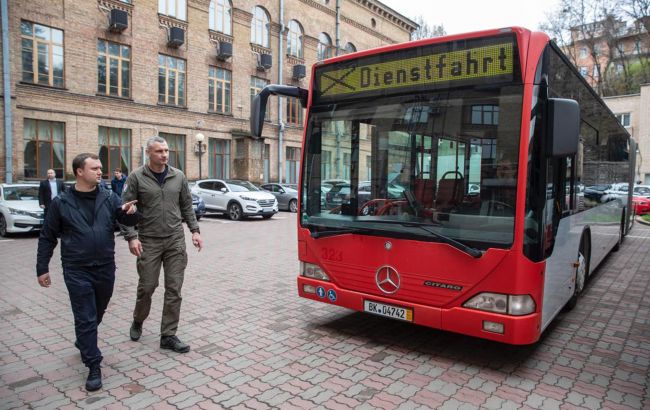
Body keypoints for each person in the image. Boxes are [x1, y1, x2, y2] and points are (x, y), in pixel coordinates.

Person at [36, 153, 139, 392]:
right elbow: (47, 237)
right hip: (76, 268)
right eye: (94, 168)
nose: (100, 171)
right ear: (79, 172)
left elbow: (125, 219)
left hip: (105, 266)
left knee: (98, 310)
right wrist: (42, 268)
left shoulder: (109, 196)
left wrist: (130, 214)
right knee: (86, 316)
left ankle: (84, 338)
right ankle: (93, 364)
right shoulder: (61, 202)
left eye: (100, 167)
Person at [121, 136, 203, 353]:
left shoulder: (179, 176)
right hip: (148, 240)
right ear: (149, 152)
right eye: (159, 151)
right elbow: (126, 209)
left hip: (175, 239)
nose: (164, 155)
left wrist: (195, 231)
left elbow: (186, 206)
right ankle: (138, 320)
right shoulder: (137, 177)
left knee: (174, 289)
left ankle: (168, 335)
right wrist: (131, 236)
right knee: (147, 287)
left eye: (166, 150)